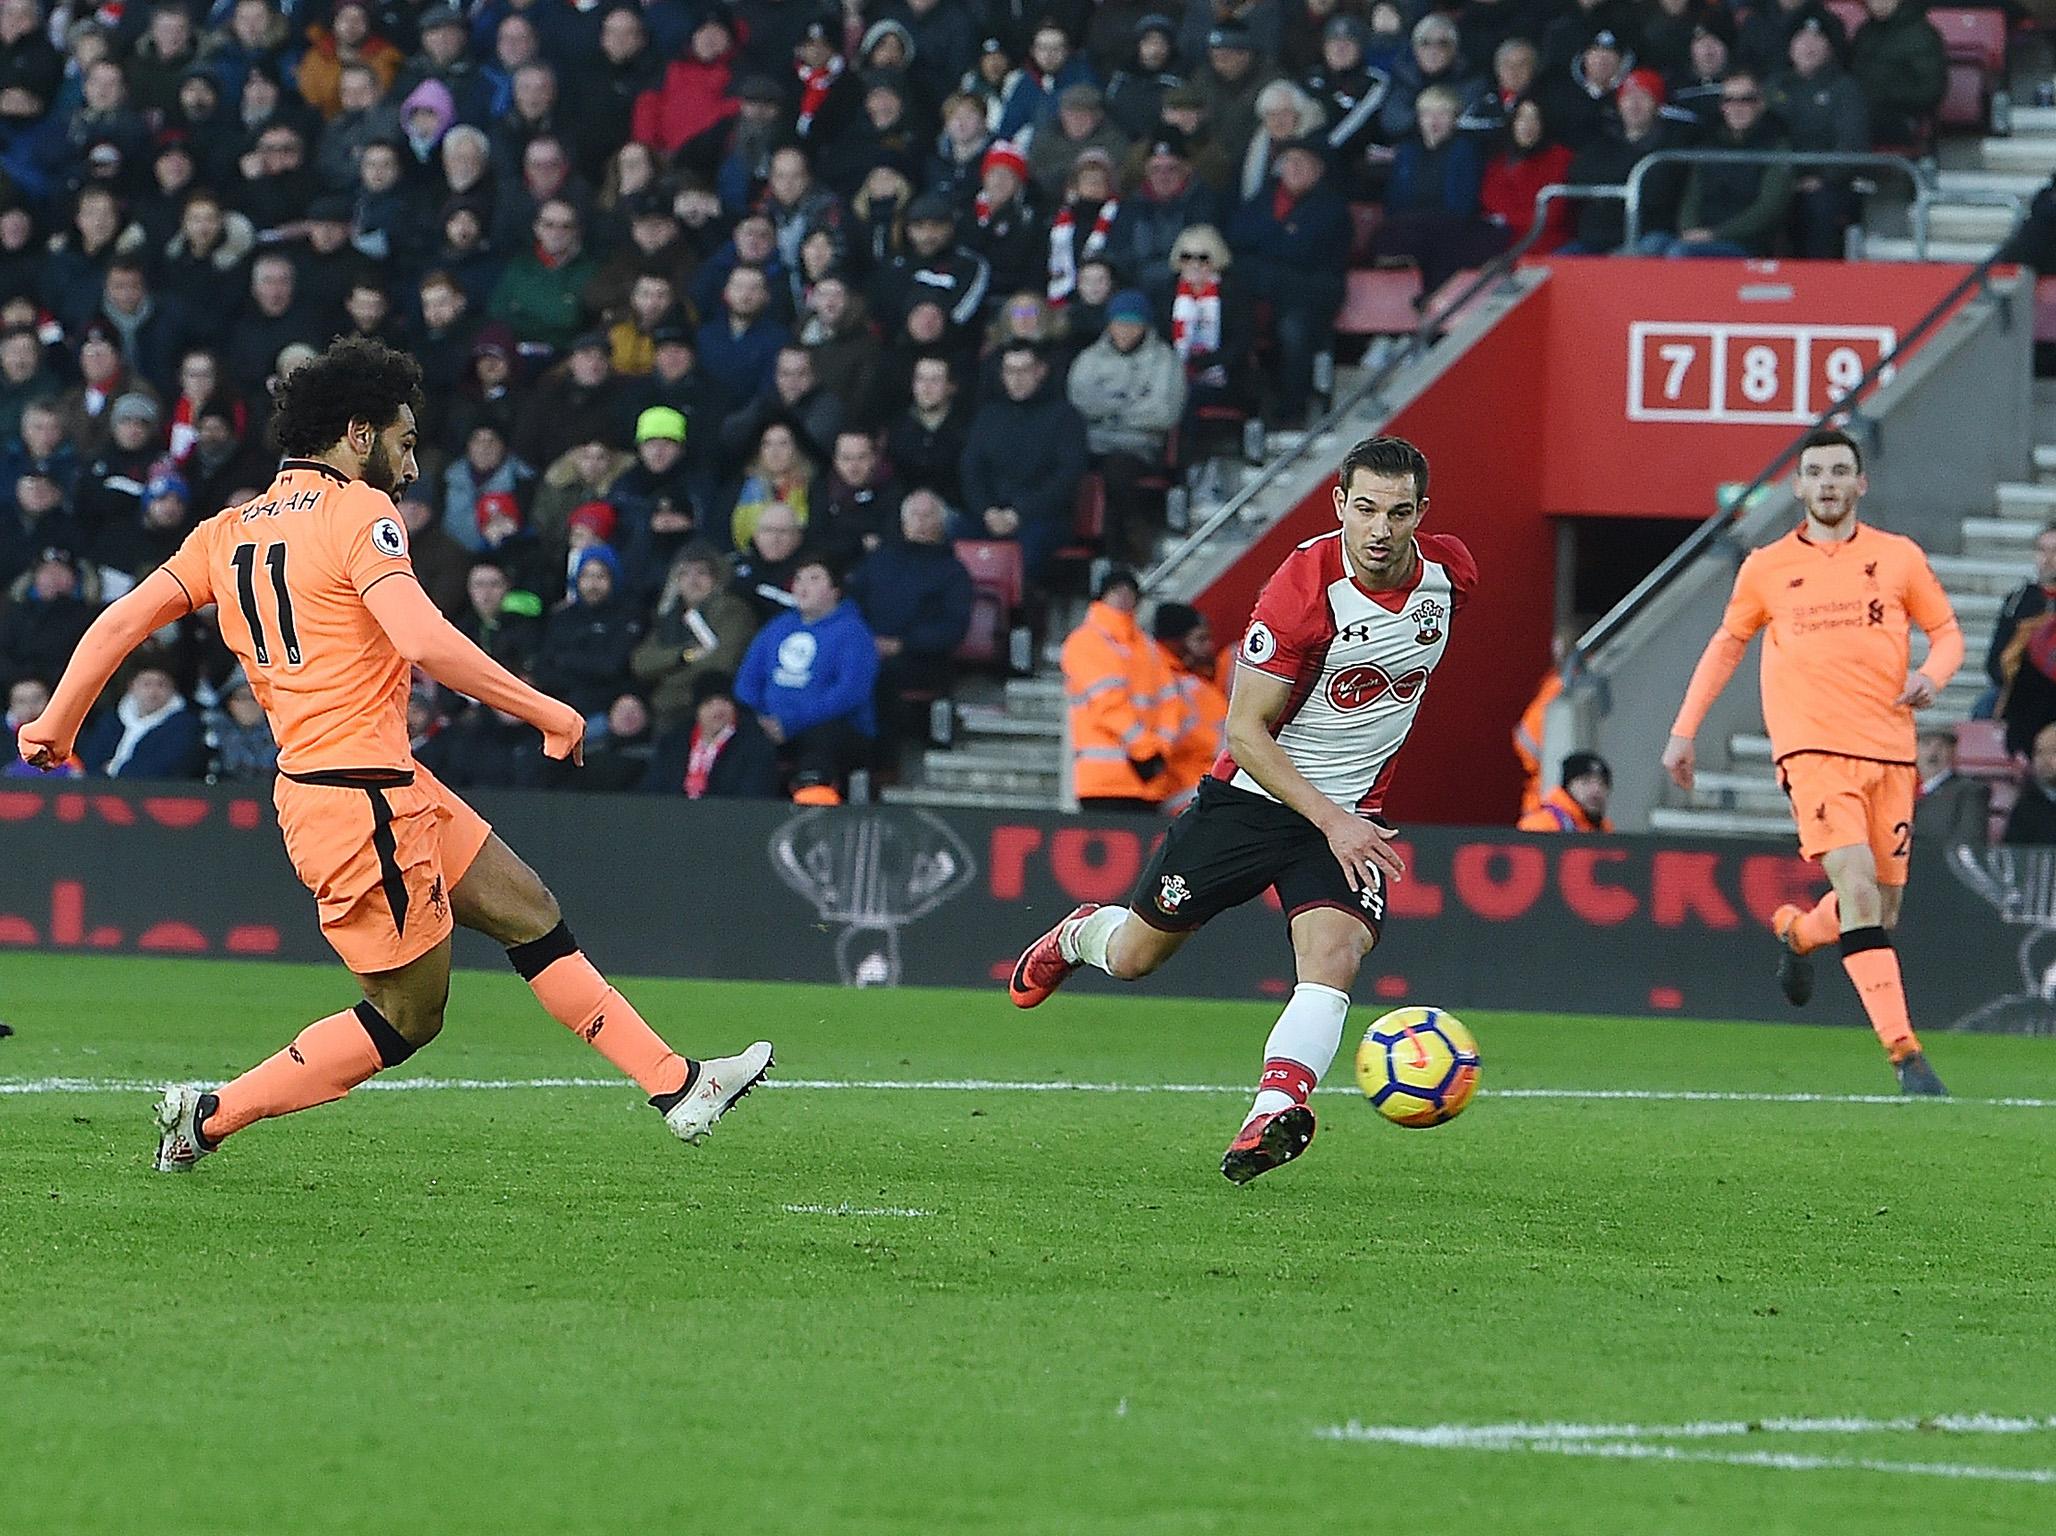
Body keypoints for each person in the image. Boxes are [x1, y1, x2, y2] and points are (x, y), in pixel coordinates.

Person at [15, 337, 770, 1171]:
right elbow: (420, 637)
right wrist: (545, 709)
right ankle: (211, 1115)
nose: (412, 468)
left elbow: (121, 621)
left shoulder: (224, 532)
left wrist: (56, 722)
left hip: (378, 782)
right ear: (359, 434)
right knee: (409, 1018)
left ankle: (678, 1083)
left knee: (529, 908)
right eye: (406, 442)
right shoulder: (358, 514)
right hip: (358, 800)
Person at [1011, 436, 1474, 1184]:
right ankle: (1079, 934)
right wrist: (1331, 817)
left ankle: (1273, 1110)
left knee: (1334, 954)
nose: (1380, 529)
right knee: (1135, 957)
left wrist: (1341, 814)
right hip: (1253, 803)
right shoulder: (1300, 592)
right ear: (1338, 506)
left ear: (1422, 513)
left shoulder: (1452, 574)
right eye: (1364, 509)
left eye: (1397, 512)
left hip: (1348, 815)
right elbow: (1244, 733)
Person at [1662, 427, 1961, 1096]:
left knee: (1879, 912)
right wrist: (1684, 732)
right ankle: (1906, 1056)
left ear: (1860, 484)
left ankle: (1799, 933)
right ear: (1797, 486)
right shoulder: (1767, 566)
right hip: (1814, 752)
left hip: (1890, 752)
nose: (1826, 482)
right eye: (1815, 472)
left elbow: (1946, 633)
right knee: (1856, 888)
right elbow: (1727, 645)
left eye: (1838, 471)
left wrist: (1933, 678)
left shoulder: (1898, 558)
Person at [733, 551, 878, 804]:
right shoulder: (777, 627)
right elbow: (747, 682)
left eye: (814, 579)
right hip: (771, 725)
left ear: (835, 590)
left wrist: (790, 722)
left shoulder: (854, 633)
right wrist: (761, 718)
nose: (802, 586)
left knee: (821, 745)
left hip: (831, 729)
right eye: (799, 579)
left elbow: (849, 693)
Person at [1067, 289, 1187, 564]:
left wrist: (1111, 411)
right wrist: (1130, 404)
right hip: (1091, 442)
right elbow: (1079, 402)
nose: (1125, 331)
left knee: (1116, 476)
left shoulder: (1164, 360)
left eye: (1132, 324)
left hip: (1140, 446)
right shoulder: (1089, 359)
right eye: (1119, 323)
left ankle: (1123, 549)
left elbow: (1163, 412)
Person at [847, 489, 973, 742]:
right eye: (916, 515)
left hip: (921, 659)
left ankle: (880, 754)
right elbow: (851, 602)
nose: (921, 522)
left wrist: (901, 644)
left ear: (942, 522)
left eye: (928, 516)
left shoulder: (954, 572)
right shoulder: (879, 560)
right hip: (866, 647)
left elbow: (953, 627)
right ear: (904, 521)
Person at [958, 342, 1091, 578]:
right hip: (988, 514)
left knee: (1025, 557)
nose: (1017, 378)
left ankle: (1019, 614)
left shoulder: (1065, 417)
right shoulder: (989, 415)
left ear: (1040, 371)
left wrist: (1019, 512)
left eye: (1024, 370)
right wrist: (986, 510)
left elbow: (1066, 477)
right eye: (1010, 371)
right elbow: (971, 470)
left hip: (1043, 517)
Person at [630, 541, 758, 726]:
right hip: (666, 712)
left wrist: (668, 677)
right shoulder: (671, 616)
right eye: (684, 573)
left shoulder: (732, 610)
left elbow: (724, 663)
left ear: (717, 578)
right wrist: (685, 656)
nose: (692, 580)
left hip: (709, 708)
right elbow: (641, 662)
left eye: (701, 573)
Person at [643, 669, 779, 798]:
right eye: (709, 703)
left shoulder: (754, 744)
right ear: (697, 710)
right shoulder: (674, 742)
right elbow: (654, 788)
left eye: (725, 701)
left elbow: (753, 793)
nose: (718, 709)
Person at [1154, 599, 1228, 812]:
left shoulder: (1193, 680)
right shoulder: (1169, 681)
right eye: (1200, 639)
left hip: (1203, 786)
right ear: (1178, 641)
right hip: (1186, 791)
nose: (1208, 647)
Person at [1989, 521, 2056, 753]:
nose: (2047, 559)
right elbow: (1995, 659)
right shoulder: (2019, 601)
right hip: (2023, 692)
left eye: (2054, 551)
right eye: (2042, 550)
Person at [1913, 727, 1989, 849]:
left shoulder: (1970, 791)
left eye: (1942, 746)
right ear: (1914, 749)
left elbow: (1970, 841)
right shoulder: (1899, 790)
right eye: (1926, 744)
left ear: (1953, 751)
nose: (1933, 752)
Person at [1517, 749, 1614, 832]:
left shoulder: (1605, 830)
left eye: (1602, 784)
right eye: (1585, 782)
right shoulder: (1539, 826)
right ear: (1567, 786)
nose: (1596, 790)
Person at [2003, 724, 2056, 845]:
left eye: (2053, 751)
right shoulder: (2026, 804)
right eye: (2039, 752)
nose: (2044, 760)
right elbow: (2013, 853)